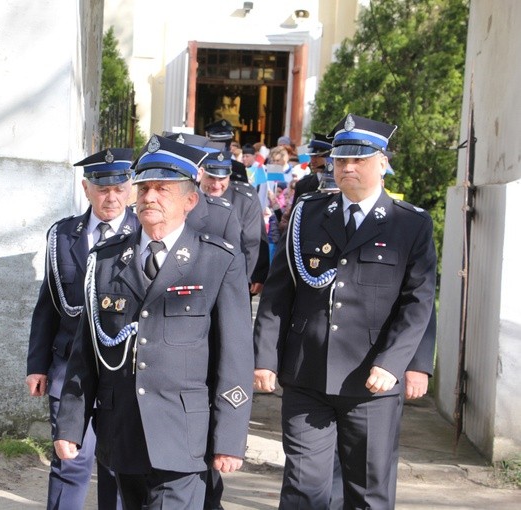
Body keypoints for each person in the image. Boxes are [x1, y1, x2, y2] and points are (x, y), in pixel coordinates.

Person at [54, 135, 254, 510]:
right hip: (123, 429)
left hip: (183, 434)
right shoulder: (108, 260)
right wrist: (70, 424)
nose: (149, 197)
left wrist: (229, 436)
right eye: (144, 187)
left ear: (190, 201)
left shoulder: (217, 261)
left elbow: (236, 357)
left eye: (163, 189)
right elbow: (87, 352)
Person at [253, 114, 437, 509]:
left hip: (372, 380)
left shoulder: (411, 225)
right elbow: (278, 292)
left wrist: (395, 363)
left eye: (359, 160)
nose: (347, 168)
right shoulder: (308, 213)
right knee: (304, 487)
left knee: (367, 492)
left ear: (383, 163)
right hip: (306, 373)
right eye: (340, 160)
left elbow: (418, 302)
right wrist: (265, 356)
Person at [26, 148, 138, 510]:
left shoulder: (144, 233)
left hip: (123, 370)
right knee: (70, 461)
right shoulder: (62, 235)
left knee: (117, 467)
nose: (112, 197)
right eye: (103, 189)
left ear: (130, 188)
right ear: (87, 188)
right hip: (68, 369)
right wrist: (37, 365)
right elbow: (48, 304)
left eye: (120, 188)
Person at [199, 149, 267, 293]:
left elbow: (252, 242)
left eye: (222, 179)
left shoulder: (243, 199)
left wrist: (245, 281)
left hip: (231, 280)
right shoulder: (186, 195)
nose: (216, 185)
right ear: (200, 173)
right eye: (211, 177)